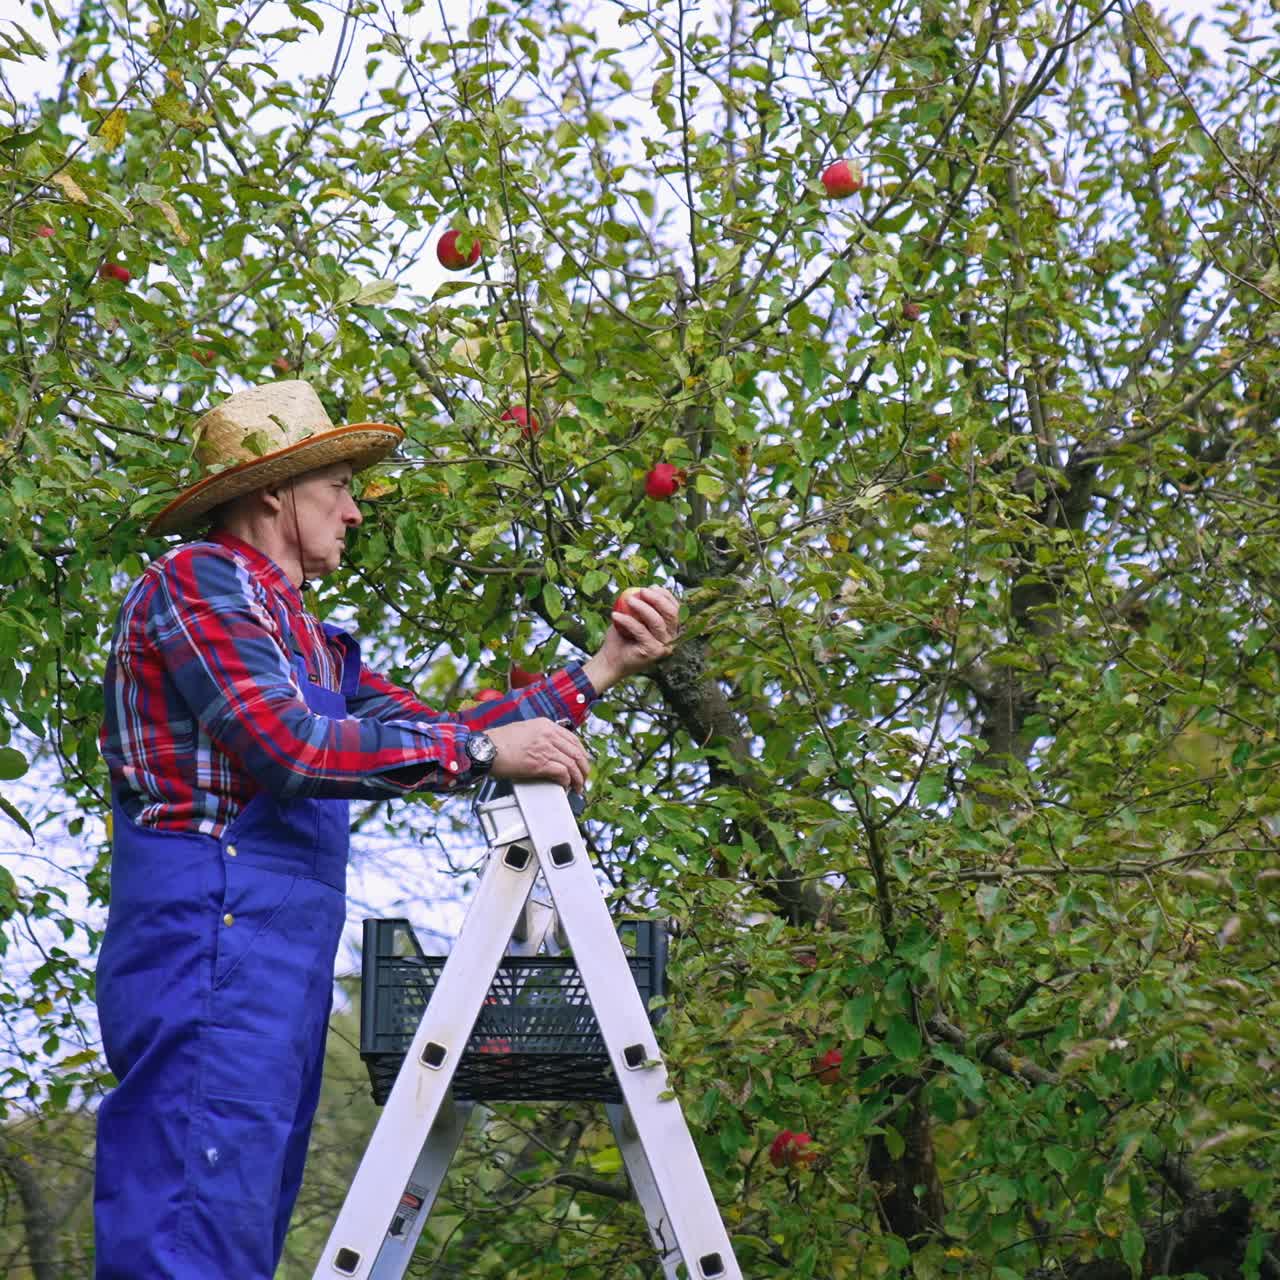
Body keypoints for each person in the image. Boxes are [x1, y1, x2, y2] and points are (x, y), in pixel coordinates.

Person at [93, 381, 678, 1278]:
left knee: (238, 1223)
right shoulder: (197, 582)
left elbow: (447, 730)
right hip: (209, 935)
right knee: (187, 1223)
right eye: (340, 486)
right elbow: (289, 749)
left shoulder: (310, 640)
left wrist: (602, 669)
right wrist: (484, 750)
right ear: (273, 494)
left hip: (274, 955)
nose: (357, 510)